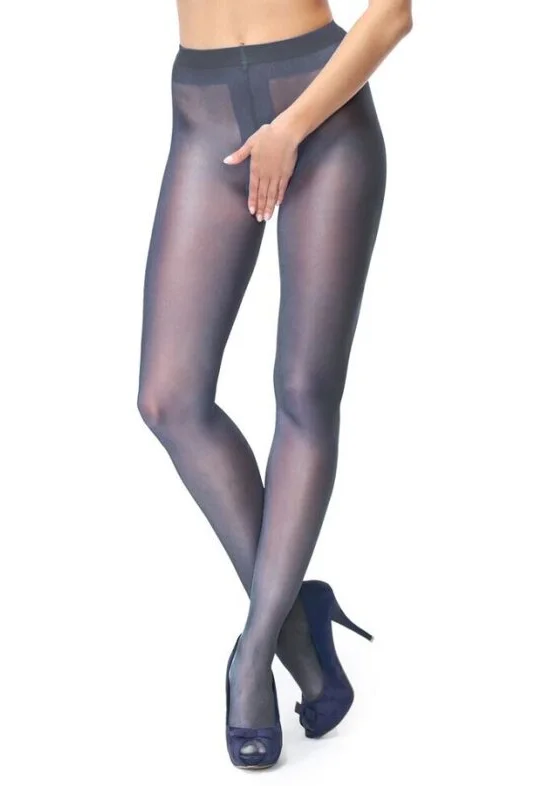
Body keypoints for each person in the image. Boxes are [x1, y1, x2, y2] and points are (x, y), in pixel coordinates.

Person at [137, 0, 413, 769]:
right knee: (168, 397)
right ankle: (296, 620)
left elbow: (393, 15)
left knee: (303, 392)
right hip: (203, 116)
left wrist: (291, 128)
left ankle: (253, 656)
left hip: (322, 110)